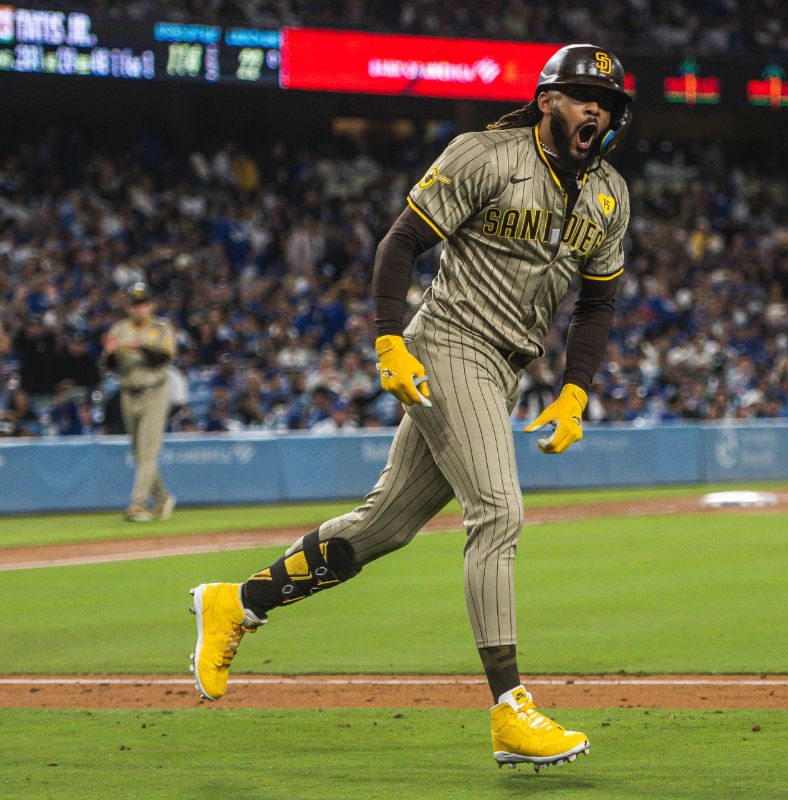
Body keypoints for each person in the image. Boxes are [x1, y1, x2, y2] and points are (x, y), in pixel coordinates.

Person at [188, 44, 632, 770]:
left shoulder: (610, 191)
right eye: (584, 96)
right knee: (499, 510)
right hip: (451, 341)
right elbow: (400, 245)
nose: (597, 110)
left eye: (607, 102)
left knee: (383, 529)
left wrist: (576, 388)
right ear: (548, 99)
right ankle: (510, 710)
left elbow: (600, 301)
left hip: (504, 365)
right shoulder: (486, 156)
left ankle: (235, 603)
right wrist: (389, 340)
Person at [103, 281, 177, 522]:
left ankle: (137, 504)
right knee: (139, 453)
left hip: (154, 391)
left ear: (151, 305)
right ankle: (163, 497)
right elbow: (107, 365)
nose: (139, 308)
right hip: (128, 392)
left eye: (143, 303)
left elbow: (164, 357)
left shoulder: (161, 327)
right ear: (128, 307)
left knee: (147, 452)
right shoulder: (118, 329)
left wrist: (141, 346)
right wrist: (111, 353)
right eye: (135, 304)